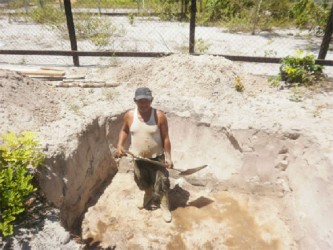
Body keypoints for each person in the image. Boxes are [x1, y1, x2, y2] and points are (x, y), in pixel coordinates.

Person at [116, 87, 173, 223]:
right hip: (138, 158)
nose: (143, 104)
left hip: (157, 157)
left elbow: (165, 138)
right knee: (142, 180)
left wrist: (169, 157)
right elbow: (124, 130)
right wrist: (120, 145)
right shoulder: (129, 116)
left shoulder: (159, 116)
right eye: (140, 101)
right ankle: (148, 195)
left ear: (151, 101)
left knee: (162, 183)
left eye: (146, 101)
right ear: (135, 101)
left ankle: (164, 205)